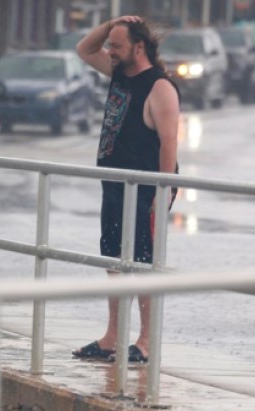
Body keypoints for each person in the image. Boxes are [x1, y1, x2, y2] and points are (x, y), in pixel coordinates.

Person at [71, 16, 180, 364]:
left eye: (117, 45)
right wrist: (111, 24)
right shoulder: (119, 73)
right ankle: (112, 338)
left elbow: (169, 143)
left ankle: (146, 341)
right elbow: (84, 49)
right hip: (115, 182)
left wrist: (163, 190)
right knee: (114, 258)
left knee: (143, 260)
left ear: (139, 47)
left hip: (146, 186)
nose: (110, 51)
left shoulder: (159, 86)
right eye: (111, 45)